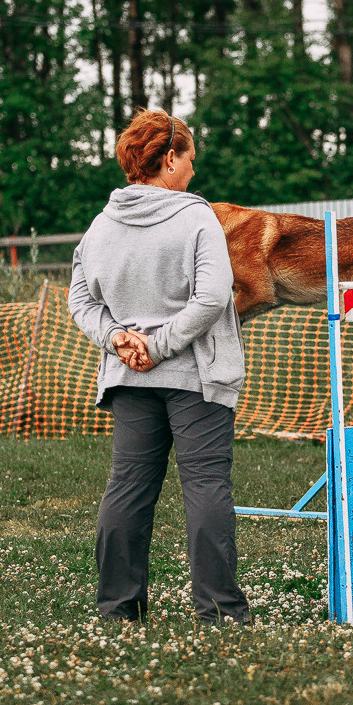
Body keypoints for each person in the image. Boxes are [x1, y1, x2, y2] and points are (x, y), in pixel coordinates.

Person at [68, 108, 251, 623]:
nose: (194, 170)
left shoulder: (99, 226)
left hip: (128, 375)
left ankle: (118, 610)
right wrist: (162, 344)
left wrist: (119, 339)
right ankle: (219, 612)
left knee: (127, 486)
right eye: (190, 159)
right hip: (194, 376)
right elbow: (213, 296)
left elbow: (80, 300)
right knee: (207, 484)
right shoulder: (196, 217)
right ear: (169, 159)